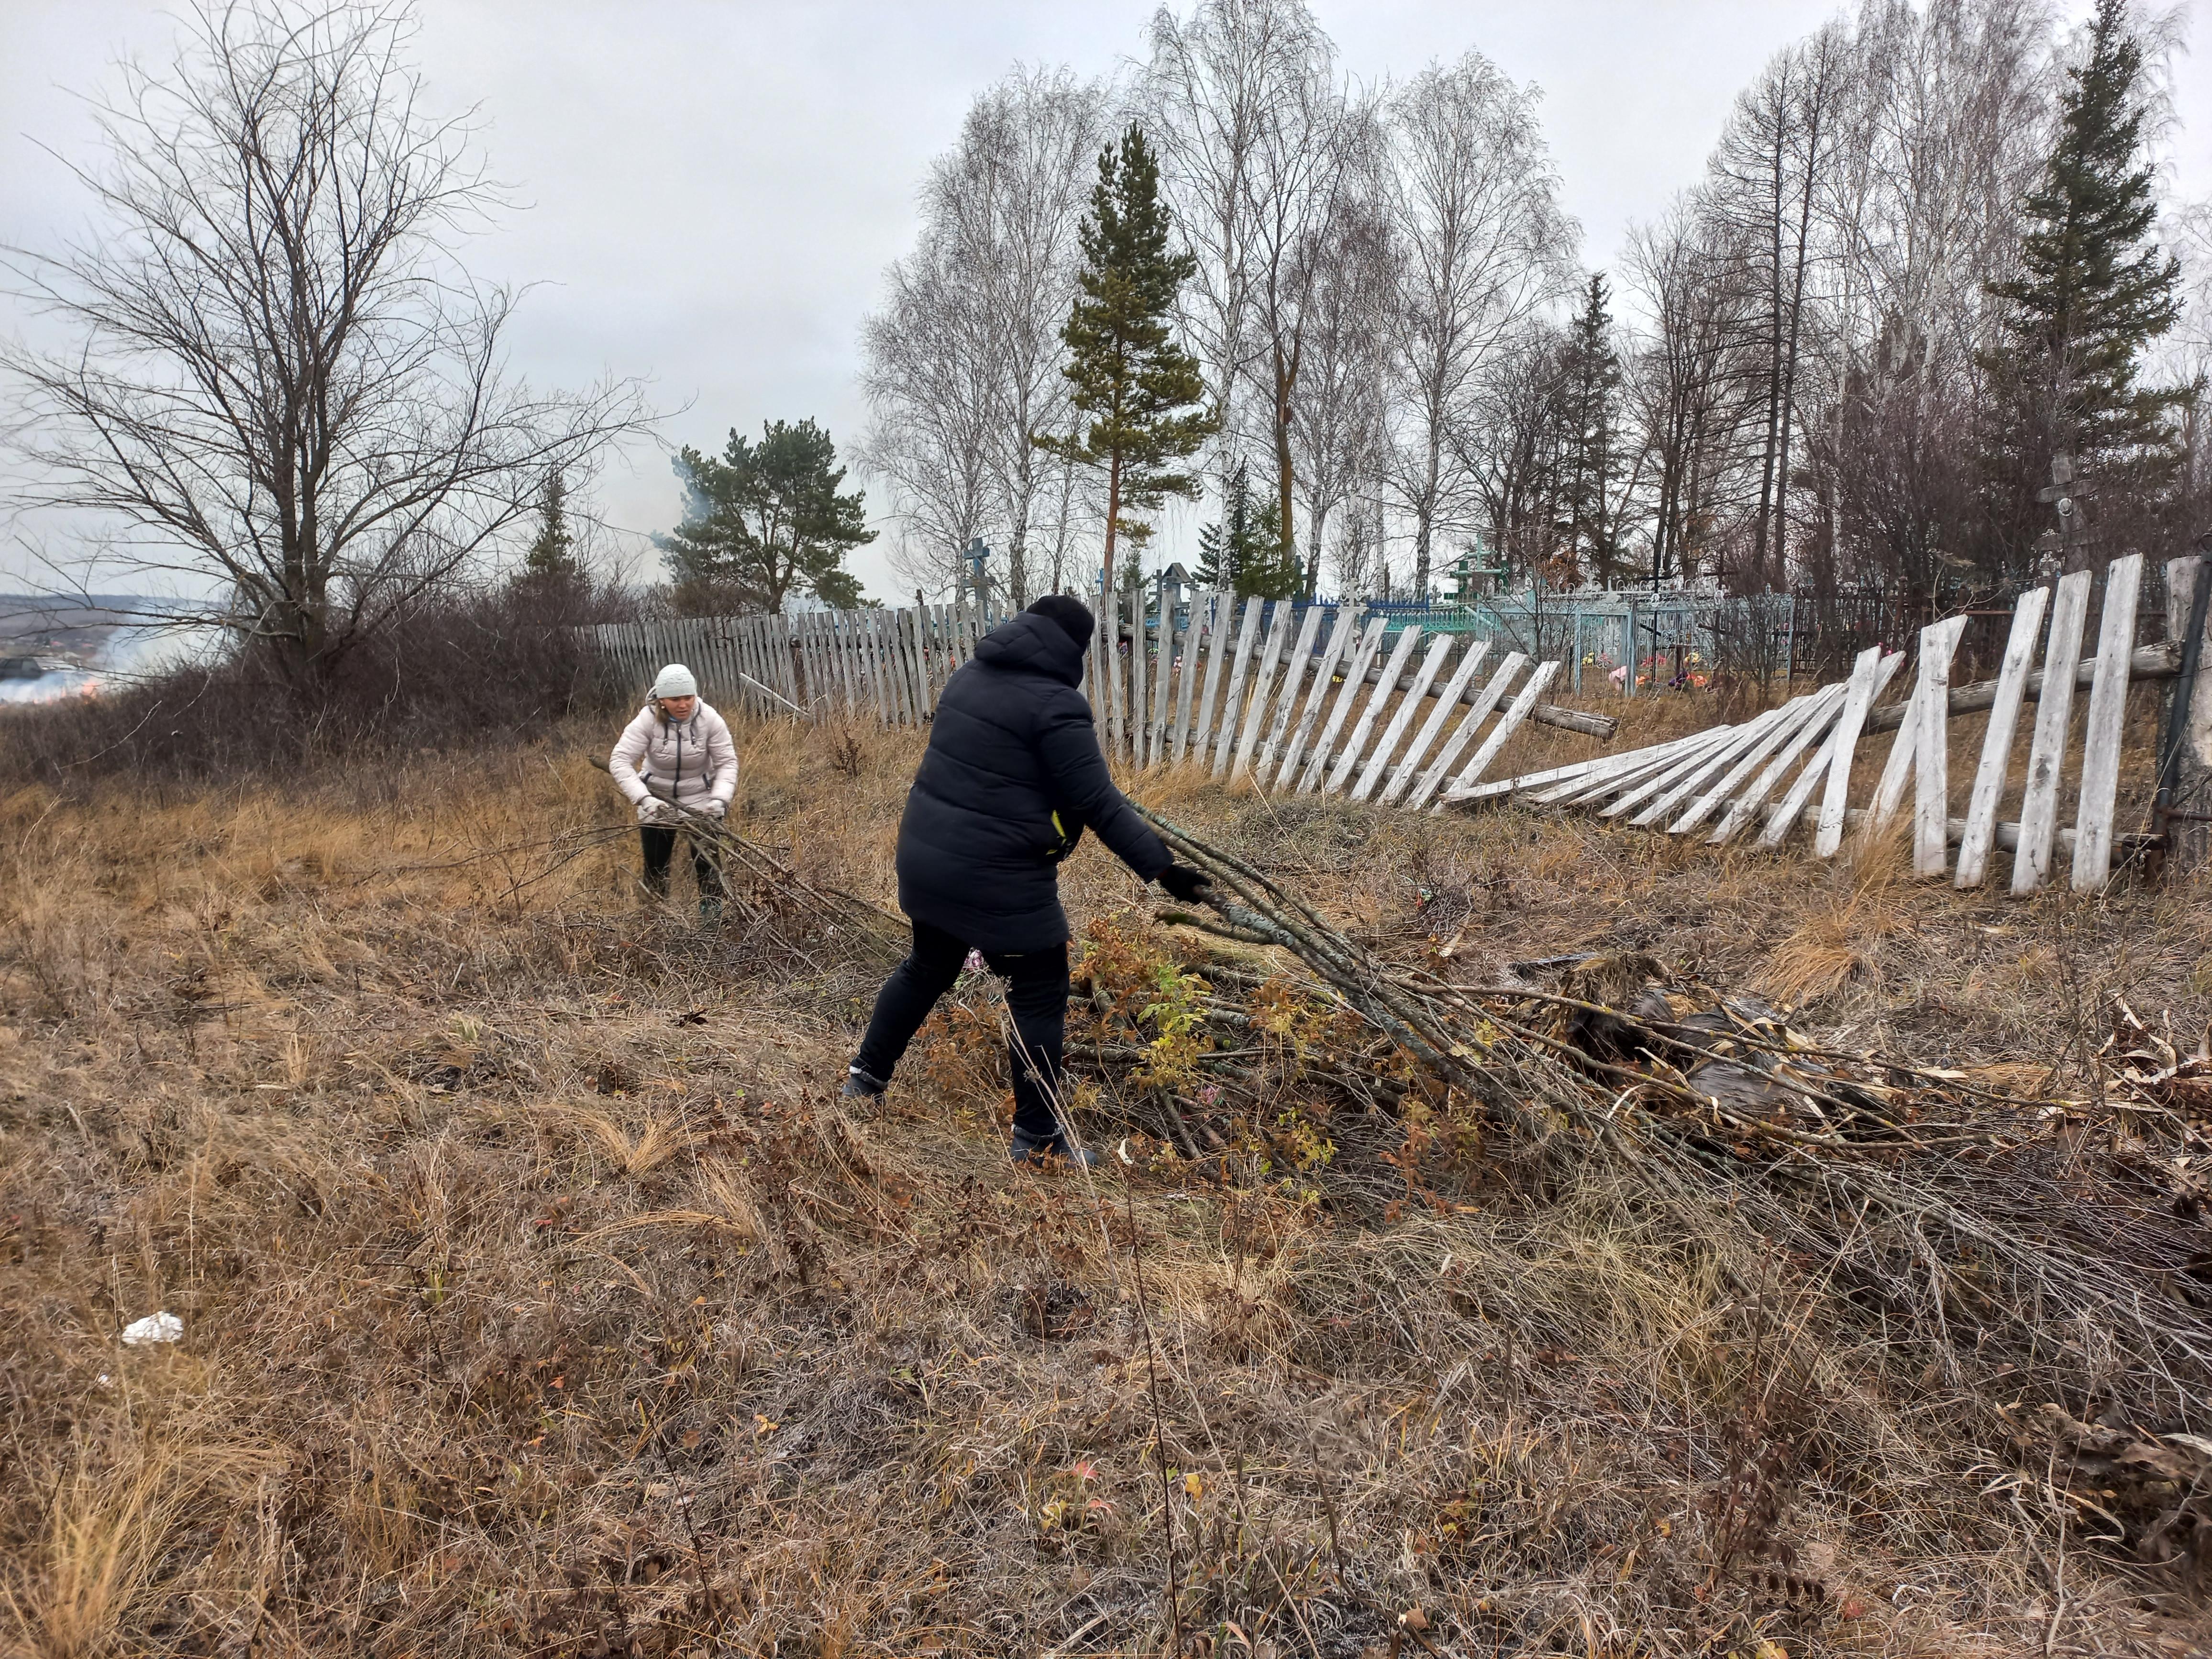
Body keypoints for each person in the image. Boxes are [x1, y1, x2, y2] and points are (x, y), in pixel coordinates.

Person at [843, 594, 1213, 1164]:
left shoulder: (969, 676)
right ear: (1074, 646)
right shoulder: (1056, 704)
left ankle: (863, 1081)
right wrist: (1163, 870)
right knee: (1040, 991)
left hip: (927, 856)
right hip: (994, 872)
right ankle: (1039, 1143)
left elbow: (1000, 771)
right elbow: (1097, 800)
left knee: (927, 966)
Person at [608, 664, 737, 920]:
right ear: (662, 700)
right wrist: (645, 799)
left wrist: (720, 799)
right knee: (656, 866)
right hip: (658, 799)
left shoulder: (709, 719)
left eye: (688, 697)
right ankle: (654, 919)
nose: (683, 705)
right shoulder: (647, 719)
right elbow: (620, 760)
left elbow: (727, 762)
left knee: (708, 866)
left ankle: (712, 921)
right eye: (675, 699)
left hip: (701, 798)